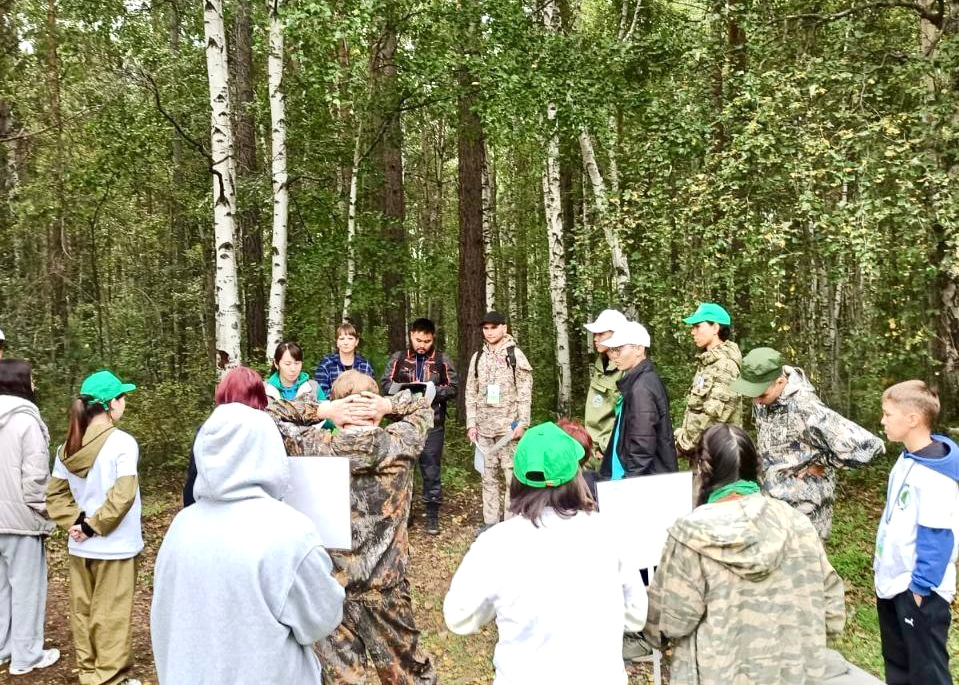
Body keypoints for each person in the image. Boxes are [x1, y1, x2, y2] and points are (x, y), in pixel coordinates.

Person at [151, 366, 345, 685]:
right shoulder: (289, 533)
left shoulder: (180, 528)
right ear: (269, 450)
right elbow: (322, 618)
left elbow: (164, 619)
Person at [644, 424, 852, 684]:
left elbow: (671, 621)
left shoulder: (690, 534)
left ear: (702, 469)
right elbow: (831, 613)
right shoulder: (797, 522)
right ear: (756, 469)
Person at [443, 422, 647, 685]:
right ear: (576, 475)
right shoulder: (610, 532)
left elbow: (459, 617)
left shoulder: (496, 544)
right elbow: (636, 615)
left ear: (516, 479)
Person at [268, 371, 437, 685]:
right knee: (410, 678)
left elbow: (269, 414)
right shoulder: (400, 442)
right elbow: (423, 405)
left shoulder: (312, 445)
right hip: (385, 591)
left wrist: (323, 410)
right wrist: (386, 404)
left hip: (332, 589)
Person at [46, 370, 143, 685]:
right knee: (111, 614)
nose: (125, 402)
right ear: (111, 404)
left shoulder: (67, 446)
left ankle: (89, 673)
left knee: (84, 612)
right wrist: (91, 526)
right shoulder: (122, 443)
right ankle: (110, 679)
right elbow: (123, 494)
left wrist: (76, 524)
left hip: (80, 546)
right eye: (122, 397)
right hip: (115, 545)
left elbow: (56, 495)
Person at [731, 347, 883, 540]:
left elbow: (869, 446)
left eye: (761, 395)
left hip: (803, 516)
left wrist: (824, 460)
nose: (756, 402)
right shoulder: (766, 402)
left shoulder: (806, 408)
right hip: (773, 508)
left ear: (781, 381)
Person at [875, 380, 958, 685]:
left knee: (927, 673)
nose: (882, 420)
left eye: (887, 414)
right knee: (898, 667)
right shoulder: (907, 458)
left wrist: (919, 592)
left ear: (912, 419)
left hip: (919, 591)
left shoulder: (936, 476)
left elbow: (938, 540)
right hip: (892, 583)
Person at [183, 367, 360, 507]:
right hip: (262, 511)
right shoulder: (269, 428)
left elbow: (194, 480)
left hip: (215, 509)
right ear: (259, 395)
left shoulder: (208, 430)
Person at [0, 359, 60, 675]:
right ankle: (26, 657)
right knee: (26, 590)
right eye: (31, 378)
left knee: (0, 588)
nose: (35, 383)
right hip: (21, 521)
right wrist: (44, 510)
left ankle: (3, 649)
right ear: (19, 382)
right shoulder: (27, 421)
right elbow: (36, 477)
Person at [381, 318, 458, 534]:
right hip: (402, 421)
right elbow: (386, 384)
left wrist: (431, 392)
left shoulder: (442, 359)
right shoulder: (398, 358)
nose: (422, 345)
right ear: (411, 335)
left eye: (426, 340)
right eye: (418, 340)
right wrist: (407, 391)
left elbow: (453, 387)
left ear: (433, 338)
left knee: (431, 467)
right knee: (401, 465)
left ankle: (432, 514)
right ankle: (404, 512)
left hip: (432, 421)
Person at [464, 311, 533, 533]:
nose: (490, 332)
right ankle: (490, 523)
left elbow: (525, 392)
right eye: (486, 328)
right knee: (488, 477)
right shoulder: (478, 357)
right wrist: (471, 424)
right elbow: (470, 392)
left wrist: (522, 422)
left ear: (504, 328)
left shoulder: (515, 355)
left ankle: (511, 525)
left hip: (508, 430)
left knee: (512, 477)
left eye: (494, 327)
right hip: (484, 430)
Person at [599, 321, 677, 479]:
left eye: (619, 349)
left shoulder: (641, 388)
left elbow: (642, 445)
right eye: (613, 350)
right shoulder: (642, 381)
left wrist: (630, 482)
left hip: (644, 482)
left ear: (639, 349)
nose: (614, 356)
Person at [674, 303, 743, 456]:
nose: (693, 332)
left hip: (719, 458)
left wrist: (683, 445)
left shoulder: (726, 365)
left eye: (697, 326)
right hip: (704, 455)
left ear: (715, 328)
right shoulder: (708, 364)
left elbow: (713, 417)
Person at [583, 309, 627, 460]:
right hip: (591, 448)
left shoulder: (625, 369)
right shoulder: (601, 364)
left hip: (608, 451)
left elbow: (627, 417)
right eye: (595, 334)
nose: (595, 338)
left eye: (601, 334)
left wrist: (605, 447)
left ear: (616, 334)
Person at [315, 323, 375, 399]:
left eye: (350, 338)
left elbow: (371, 391)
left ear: (356, 342)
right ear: (337, 342)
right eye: (342, 339)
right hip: (334, 407)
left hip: (360, 406)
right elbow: (321, 392)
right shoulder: (326, 364)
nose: (346, 343)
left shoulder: (365, 365)